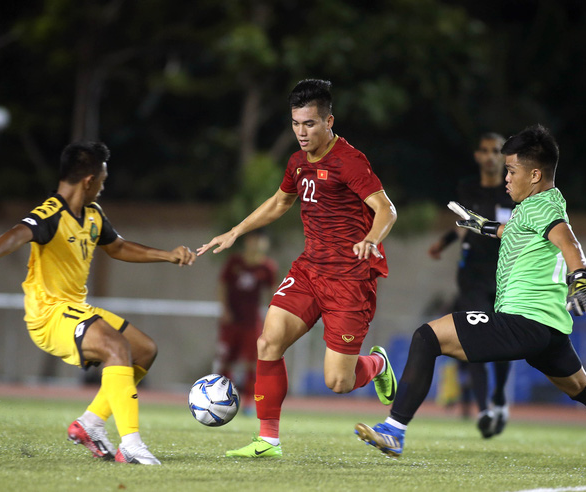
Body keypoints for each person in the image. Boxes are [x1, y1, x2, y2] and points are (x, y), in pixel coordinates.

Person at [354, 125, 586, 474]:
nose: (505, 178)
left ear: (535, 174)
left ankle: (395, 429)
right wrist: (481, 225)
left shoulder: (542, 208)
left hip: (522, 321)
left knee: (427, 337)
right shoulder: (537, 205)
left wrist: (579, 278)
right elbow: (514, 231)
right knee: (583, 388)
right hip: (547, 331)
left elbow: (569, 241)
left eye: (511, 171)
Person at [198, 79, 398, 458]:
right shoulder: (297, 162)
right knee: (268, 342)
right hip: (309, 270)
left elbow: (386, 209)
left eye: (309, 124)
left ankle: (377, 364)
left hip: (350, 279)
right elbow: (279, 202)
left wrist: (371, 239)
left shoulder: (350, 161)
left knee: (337, 381)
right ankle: (268, 440)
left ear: (329, 121)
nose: (301, 132)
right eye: (295, 124)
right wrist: (236, 231)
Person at [0, 142, 196, 465]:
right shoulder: (51, 213)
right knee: (116, 348)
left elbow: (117, 247)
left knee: (144, 349)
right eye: (102, 180)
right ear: (89, 180)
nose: (103, 187)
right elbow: (19, 232)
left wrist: (167, 255)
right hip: (49, 314)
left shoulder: (92, 215)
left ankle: (90, 424)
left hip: (76, 309)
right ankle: (130, 444)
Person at [427, 133, 513, 437]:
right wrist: (444, 242)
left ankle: (500, 396)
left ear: (503, 157)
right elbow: (463, 222)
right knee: (475, 340)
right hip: (472, 279)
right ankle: (484, 410)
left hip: (506, 279)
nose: (490, 156)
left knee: (503, 346)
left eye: (495, 151)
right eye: (485, 150)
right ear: (477, 156)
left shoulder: (513, 192)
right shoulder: (467, 188)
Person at [214, 229, 277, 414]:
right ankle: (221, 400)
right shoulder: (235, 262)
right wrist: (224, 309)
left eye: (261, 240)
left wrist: (272, 317)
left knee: (253, 362)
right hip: (231, 320)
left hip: (252, 321)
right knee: (225, 361)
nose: (257, 243)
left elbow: (273, 293)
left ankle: (249, 402)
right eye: (254, 239)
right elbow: (222, 285)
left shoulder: (267, 267)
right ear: (248, 241)